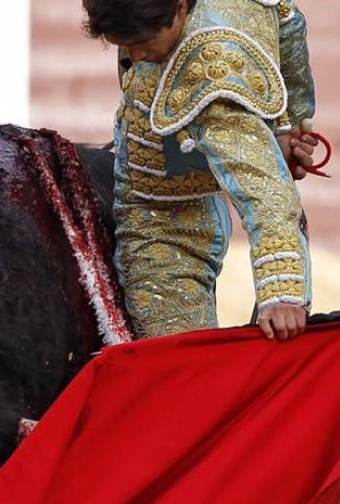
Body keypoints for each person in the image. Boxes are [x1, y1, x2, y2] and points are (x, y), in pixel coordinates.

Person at [82, 0, 318, 341]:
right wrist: (284, 125)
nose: (136, 56)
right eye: (124, 43)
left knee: (181, 373)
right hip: (170, 191)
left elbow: (264, 188)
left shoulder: (209, 74)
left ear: (180, 8)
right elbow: (285, 19)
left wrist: (282, 292)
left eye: (146, 41)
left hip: (167, 222)